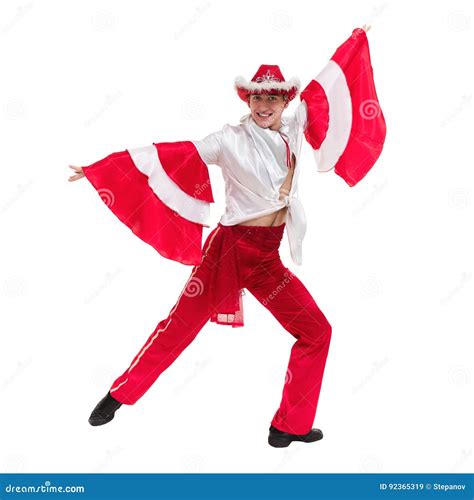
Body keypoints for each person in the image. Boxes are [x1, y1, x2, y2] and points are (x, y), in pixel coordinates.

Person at [68, 24, 386, 448]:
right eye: (258, 97)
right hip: (230, 252)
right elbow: (172, 153)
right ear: (248, 99)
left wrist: (356, 40)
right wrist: (101, 170)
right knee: (178, 328)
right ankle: (118, 395)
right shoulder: (228, 140)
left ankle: (287, 426)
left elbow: (329, 81)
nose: (264, 105)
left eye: (273, 97)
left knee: (317, 332)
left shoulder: (294, 128)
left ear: (284, 101)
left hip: (268, 259)